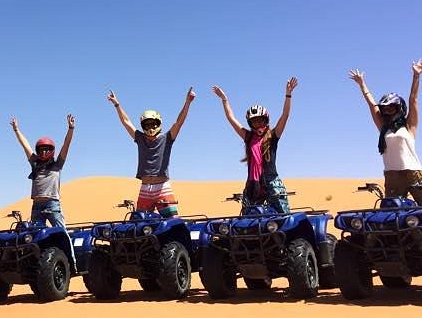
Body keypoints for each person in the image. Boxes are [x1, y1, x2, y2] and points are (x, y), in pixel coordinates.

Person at [349, 59, 422, 206]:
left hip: (413, 173)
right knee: (391, 212)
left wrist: (416, 76)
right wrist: (362, 84)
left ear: (399, 108)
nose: (387, 111)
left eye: (391, 108)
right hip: (392, 175)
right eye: (385, 109)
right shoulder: (383, 127)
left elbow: (413, 99)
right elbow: (371, 104)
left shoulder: (409, 126)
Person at [212, 78, 298, 214]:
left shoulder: (273, 136)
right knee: (248, 217)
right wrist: (224, 99)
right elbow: (231, 118)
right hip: (253, 184)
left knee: (283, 216)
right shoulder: (248, 137)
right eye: (254, 122)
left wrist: (288, 95)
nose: (257, 124)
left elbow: (285, 116)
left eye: (260, 121)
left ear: (266, 120)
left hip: (272, 183)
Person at [107, 87, 194, 218]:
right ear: (143, 126)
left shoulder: (167, 138)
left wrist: (187, 102)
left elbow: (179, 122)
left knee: (173, 224)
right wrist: (117, 104)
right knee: (139, 224)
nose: (151, 127)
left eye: (153, 124)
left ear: (158, 124)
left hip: (162, 188)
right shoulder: (140, 138)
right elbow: (126, 122)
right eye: (147, 125)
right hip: (145, 189)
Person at [10, 114, 75, 227]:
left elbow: (66, 145)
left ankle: (68, 245)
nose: (44, 152)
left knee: (61, 232)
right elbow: (25, 145)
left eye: (46, 149)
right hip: (36, 205)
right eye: (41, 150)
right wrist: (16, 130)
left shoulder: (57, 164)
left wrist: (70, 128)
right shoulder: (35, 163)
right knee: (34, 235)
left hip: (52, 204)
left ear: (51, 150)